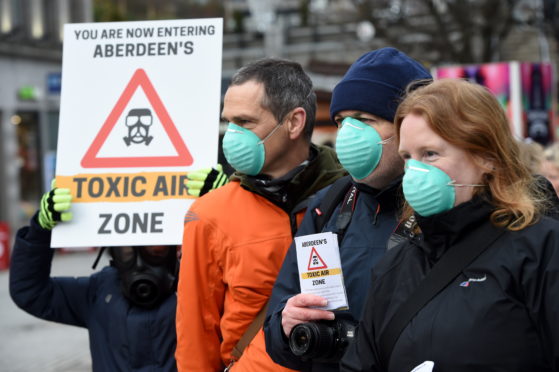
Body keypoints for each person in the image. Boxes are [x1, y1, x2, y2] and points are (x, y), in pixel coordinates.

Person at [340, 78, 559, 371]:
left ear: (487, 157)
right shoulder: (394, 267)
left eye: (430, 154)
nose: (414, 171)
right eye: (407, 157)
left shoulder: (542, 250)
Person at [263, 47, 432, 371]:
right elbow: (279, 336)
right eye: (342, 121)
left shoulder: (443, 207)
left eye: (365, 120)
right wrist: (287, 326)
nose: (350, 134)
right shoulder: (328, 207)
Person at [175, 58, 347, 371]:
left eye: (245, 122)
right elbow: (195, 336)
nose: (231, 136)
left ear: (294, 122)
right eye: (229, 122)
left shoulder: (352, 199)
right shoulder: (208, 214)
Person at [9, 168, 227, 372]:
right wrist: (40, 229)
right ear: (112, 250)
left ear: (173, 246)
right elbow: (30, 291)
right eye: (127, 250)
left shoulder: (204, 287)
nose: (141, 262)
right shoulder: (97, 293)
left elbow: (250, 286)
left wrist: (225, 209)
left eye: (155, 247)